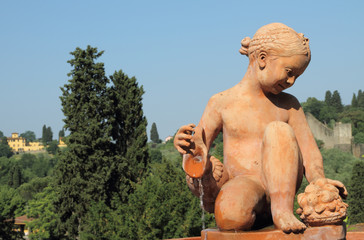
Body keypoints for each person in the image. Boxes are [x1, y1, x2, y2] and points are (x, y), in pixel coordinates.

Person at [174, 23, 347, 233]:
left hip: (284, 185)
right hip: (244, 185)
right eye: (289, 71)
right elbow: (199, 148)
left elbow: (310, 154)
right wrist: (188, 147)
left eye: (297, 76)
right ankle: (263, 209)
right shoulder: (221, 102)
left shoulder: (289, 105)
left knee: (278, 130)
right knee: (230, 216)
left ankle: (282, 210)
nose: (291, 81)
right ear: (262, 59)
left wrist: (320, 181)